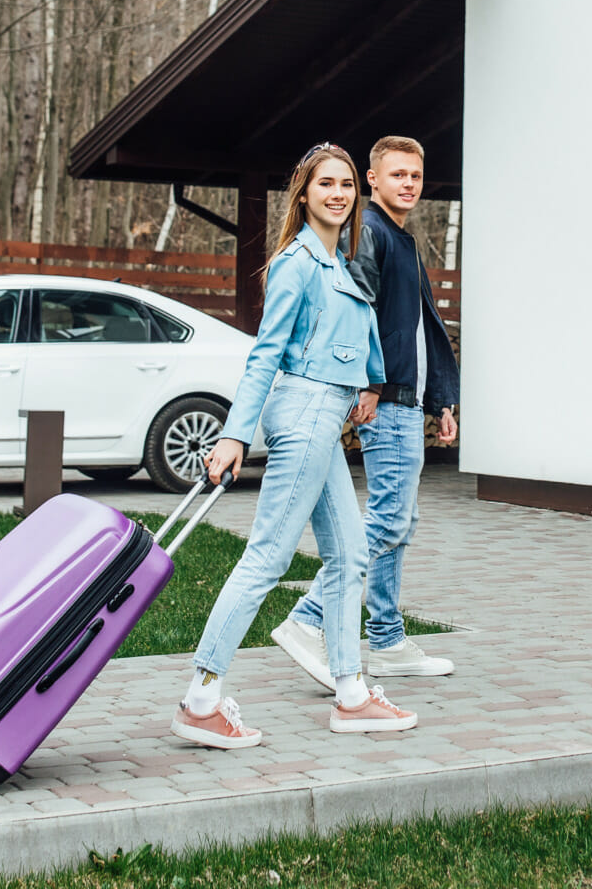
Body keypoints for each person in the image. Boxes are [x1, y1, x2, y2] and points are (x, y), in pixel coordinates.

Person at [170, 143, 419, 749]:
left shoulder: (340, 263)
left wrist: (368, 381)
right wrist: (234, 433)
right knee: (268, 557)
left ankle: (352, 696)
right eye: (325, 184)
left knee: (351, 556)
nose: (338, 193)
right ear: (303, 195)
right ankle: (201, 698)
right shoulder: (296, 262)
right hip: (304, 412)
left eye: (345, 185)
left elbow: (359, 334)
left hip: (327, 415)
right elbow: (265, 354)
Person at [272, 136, 459, 686]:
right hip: (388, 399)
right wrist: (370, 386)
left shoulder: (400, 237)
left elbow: (421, 325)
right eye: (396, 174)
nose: (408, 183)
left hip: (409, 397)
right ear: (372, 181)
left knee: (398, 521)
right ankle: (309, 619)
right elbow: (355, 315)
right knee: (387, 520)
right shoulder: (371, 234)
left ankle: (386, 636)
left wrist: (441, 397)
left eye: (416, 175)